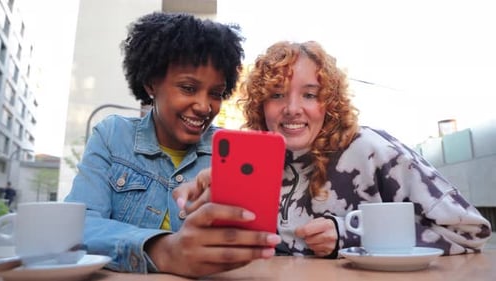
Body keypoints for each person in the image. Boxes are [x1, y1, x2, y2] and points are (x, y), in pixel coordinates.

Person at [175, 40, 492, 259]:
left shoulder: (372, 149)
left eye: (310, 95)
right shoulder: (254, 160)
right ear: (260, 104)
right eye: (277, 95)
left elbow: (470, 230)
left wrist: (349, 235)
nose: (292, 109)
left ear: (330, 102)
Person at [65, 12, 280, 278]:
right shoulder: (112, 136)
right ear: (151, 84)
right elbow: (77, 227)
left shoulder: (229, 155)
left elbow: (257, 241)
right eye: (188, 88)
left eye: (215, 93)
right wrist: (163, 250)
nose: (204, 106)